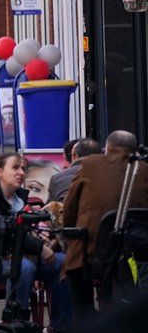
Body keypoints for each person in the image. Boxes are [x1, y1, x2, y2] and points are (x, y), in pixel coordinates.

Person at [0, 153, 71, 331]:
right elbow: (1, 232)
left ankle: (60, 326)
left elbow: (20, 231)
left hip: (12, 255)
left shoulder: (18, 197)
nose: (21, 172)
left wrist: (41, 237)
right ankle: (16, 324)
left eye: (23, 168)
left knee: (63, 262)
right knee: (24, 268)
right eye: (15, 168)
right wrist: (39, 247)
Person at [63, 130, 148, 327]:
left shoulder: (90, 164)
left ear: (107, 149)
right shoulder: (143, 169)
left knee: (77, 289)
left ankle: (81, 322)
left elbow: (69, 208)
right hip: (133, 257)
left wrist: (68, 230)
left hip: (90, 254)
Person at [47, 138, 100, 204]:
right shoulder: (111, 174)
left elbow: (50, 210)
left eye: (66, 159)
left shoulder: (57, 179)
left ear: (75, 156)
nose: (64, 165)